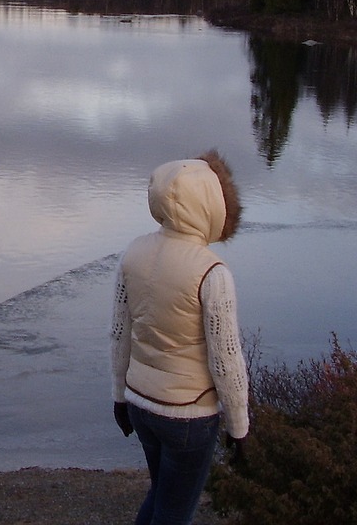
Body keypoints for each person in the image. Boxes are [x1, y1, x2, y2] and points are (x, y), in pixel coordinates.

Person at [110, 151, 250, 525]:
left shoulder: (133, 253)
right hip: (189, 414)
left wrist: (119, 396)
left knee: (162, 497)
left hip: (141, 403)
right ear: (211, 204)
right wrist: (239, 426)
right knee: (174, 512)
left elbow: (121, 334)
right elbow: (226, 358)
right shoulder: (212, 272)